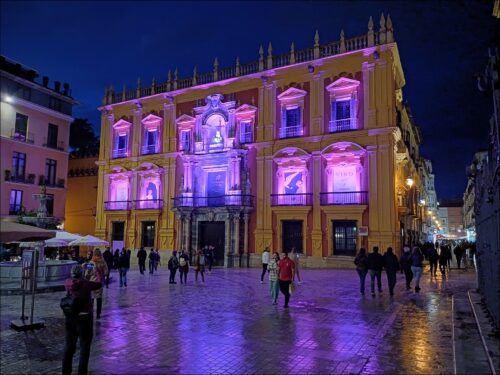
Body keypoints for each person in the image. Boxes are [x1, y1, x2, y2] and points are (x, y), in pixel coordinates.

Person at [62, 264, 102, 375]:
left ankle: (65, 371)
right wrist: (96, 272)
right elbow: (99, 284)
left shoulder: (67, 282)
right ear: (81, 273)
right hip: (84, 319)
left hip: (70, 317)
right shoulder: (85, 284)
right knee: (84, 347)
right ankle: (82, 372)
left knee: (69, 346)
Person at [86, 249, 108, 319]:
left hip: (92, 282)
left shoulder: (91, 262)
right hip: (99, 282)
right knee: (99, 299)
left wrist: (88, 277)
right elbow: (106, 272)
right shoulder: (103, 262)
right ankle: (98, 314)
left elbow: (87, 273)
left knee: (91, 298)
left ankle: (91, 311)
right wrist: (101, 275)